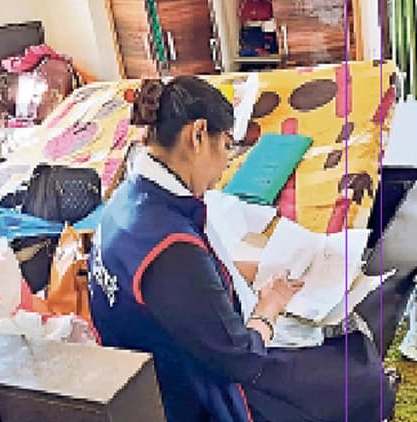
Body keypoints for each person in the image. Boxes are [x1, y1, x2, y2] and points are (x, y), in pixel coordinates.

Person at [88, 76, 395, 422]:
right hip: (193, 396)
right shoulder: (171, 248)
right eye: (226, 146)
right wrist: (269, 308)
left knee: (335, 350)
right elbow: (242, 361)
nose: (225, 167)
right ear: (198, 135)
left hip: (146, 379)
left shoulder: (127, 198)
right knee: (363, 379)